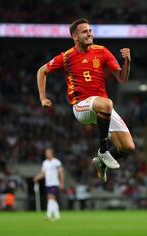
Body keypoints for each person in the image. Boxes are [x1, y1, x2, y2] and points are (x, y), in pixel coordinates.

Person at [36, 18, 135, 182]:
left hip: (102, 108)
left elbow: (122, 78)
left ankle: (100, 163)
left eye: (90, 30)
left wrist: (127, 62)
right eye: (85, 31)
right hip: (81, 106)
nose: (89, 34)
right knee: (107, 103)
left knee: (128, 147)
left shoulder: (102, 51)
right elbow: (41, 71)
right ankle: (103, 151)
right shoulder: (66, 57)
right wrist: (43, 98)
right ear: (75, 37)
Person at [34, 148, 64, 221]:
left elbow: (61, 172)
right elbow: (43, 173)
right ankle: (57, 215)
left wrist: (62, 182)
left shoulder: (57, 162)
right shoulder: (45, 163)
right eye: (46, 153)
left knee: (51, 198)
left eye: (48, 153)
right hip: (48, 184)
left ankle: (48, 215)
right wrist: (37, 177)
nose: (47, 154)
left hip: (54, 183)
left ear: (52, 153)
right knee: (51, 199)